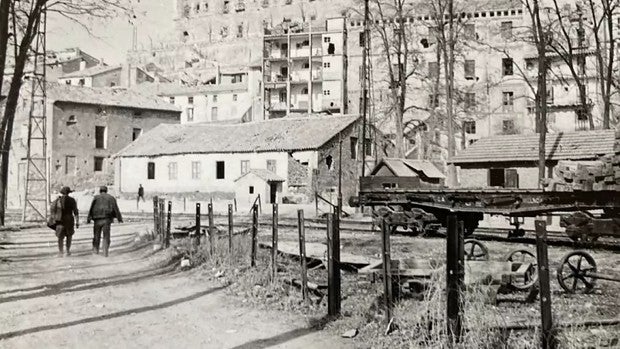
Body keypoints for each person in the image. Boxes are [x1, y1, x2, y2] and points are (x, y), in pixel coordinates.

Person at [87, 186, 123, 257]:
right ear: (106, 191)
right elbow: (116, 208)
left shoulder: (96, 198)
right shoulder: (111, 198)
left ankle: (95, 250)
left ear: (100, 191)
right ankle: (105, 251)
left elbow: (91, 208)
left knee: (96, 235)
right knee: (106, 236)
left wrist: (89, 218)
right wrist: (119, 218)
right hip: (107, 219)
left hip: (97, 219)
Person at [51, 186, 79, 257]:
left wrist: (54, 220)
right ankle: (67, 251)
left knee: (60, 237)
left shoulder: (57, 200)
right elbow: (76, 212)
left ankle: (61, 252)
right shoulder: (72, 200)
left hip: (60, 220)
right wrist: (77, 222)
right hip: (69, 219)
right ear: (69, 193)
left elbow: (52, 210)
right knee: (69, 236)